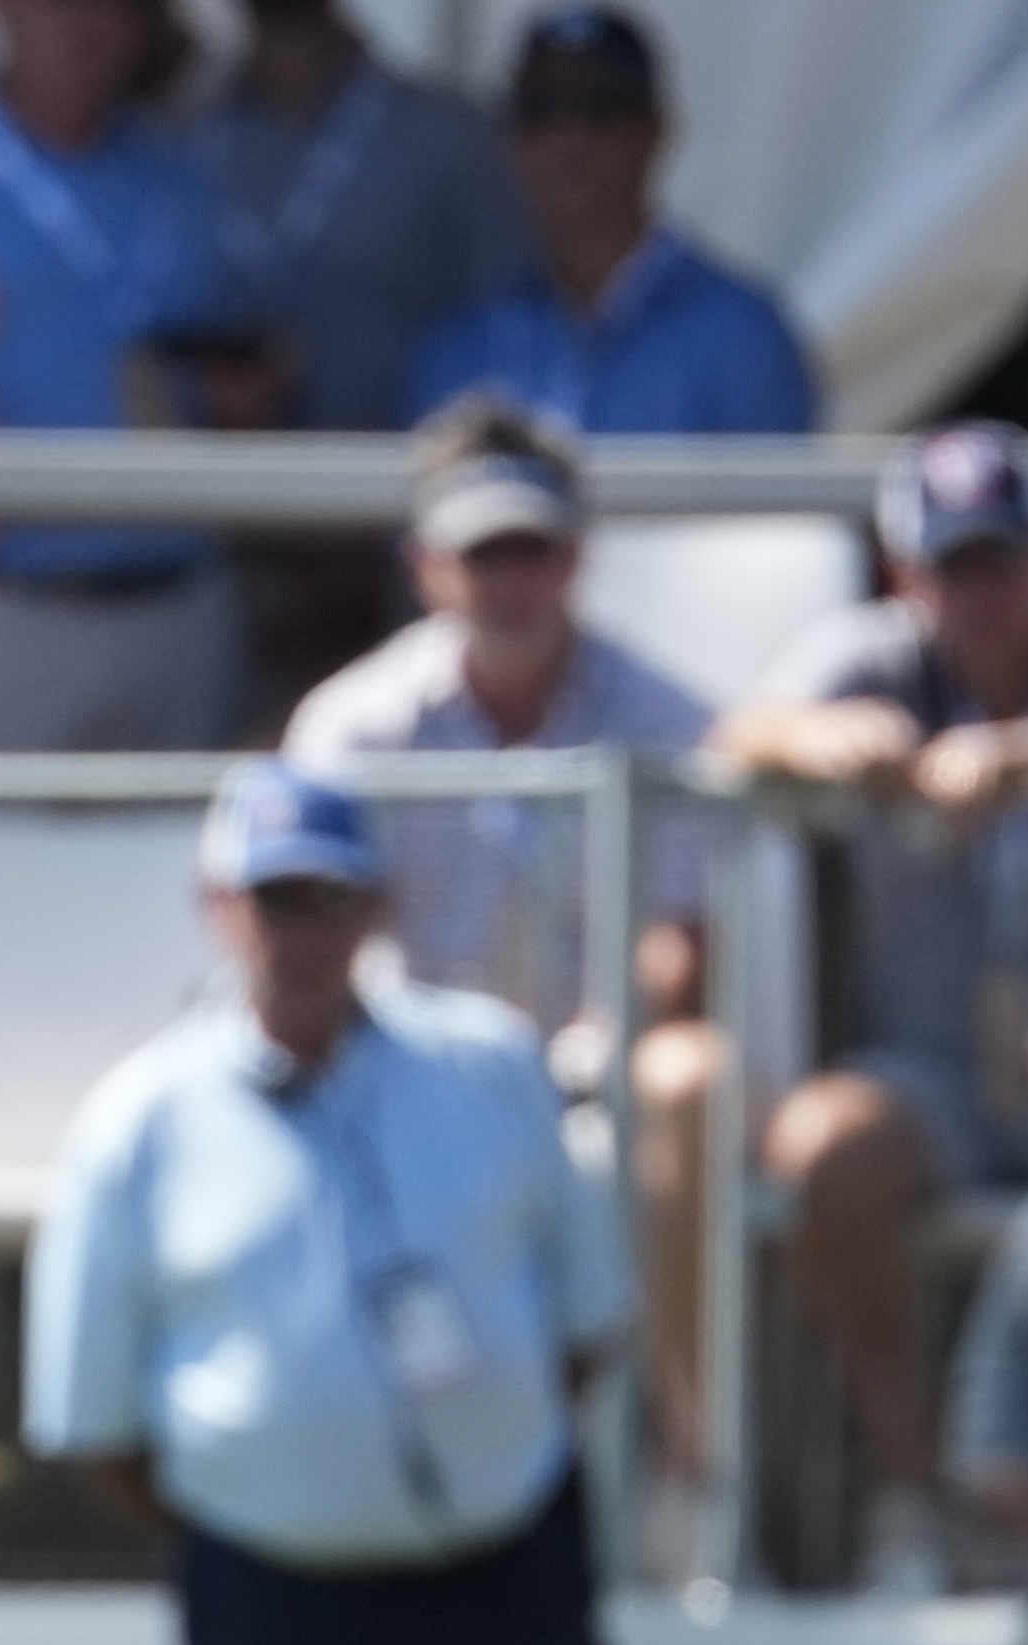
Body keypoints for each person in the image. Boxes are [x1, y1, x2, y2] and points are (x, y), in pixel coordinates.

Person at [32, 763, 690, 1645]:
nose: (300, 932)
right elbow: (97, 1420)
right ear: (220, 911)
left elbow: (587, 1323)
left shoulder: (487, 1065)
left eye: (327, 898)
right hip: (272, 1583)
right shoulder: (139, 1120)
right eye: (274, 901)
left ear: (377, 907)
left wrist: (462, 1469)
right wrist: (282, 1487)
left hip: (501, 1560)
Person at [707, 420, 1028, 1599]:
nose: (982, 593)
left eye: (1003, 560)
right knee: (821, 1150)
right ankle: (916, 1508)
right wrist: (828, 737)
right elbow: (738, 733)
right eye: (953, 566)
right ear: (905, 574)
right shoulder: (873, 661)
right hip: (944, 1074)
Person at [283, 397, 718, 1496]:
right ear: (425, 566)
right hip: (405, 1071)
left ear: (575, 560)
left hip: (597, 1075)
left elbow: (682, 949)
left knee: (682, 1088)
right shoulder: (351, 728)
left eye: (530, 550)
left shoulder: (669, 716)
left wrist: (574, 1058)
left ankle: (687, 1472)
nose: (508, 580)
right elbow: (316, 945)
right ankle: (354, 1473)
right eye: (483, 554)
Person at [0, 0, 250, 751]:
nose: (89, 21)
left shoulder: (184, 177)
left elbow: (237, 373)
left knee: (178, 867)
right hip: (0, 604)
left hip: (175, 599)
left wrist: (248, 391)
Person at [406, 6, 810, 438]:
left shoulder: (743, 337)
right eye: (539, 108)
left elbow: (780, 504)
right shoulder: (460, 350)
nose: (568, 136)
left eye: (601, 107)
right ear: (509, 137)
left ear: (656, 129)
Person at [203, 0, 520, 443]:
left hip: (397, 496)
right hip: (200, 492)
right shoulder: (176, 136)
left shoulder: (456, 141)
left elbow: (516, 348)